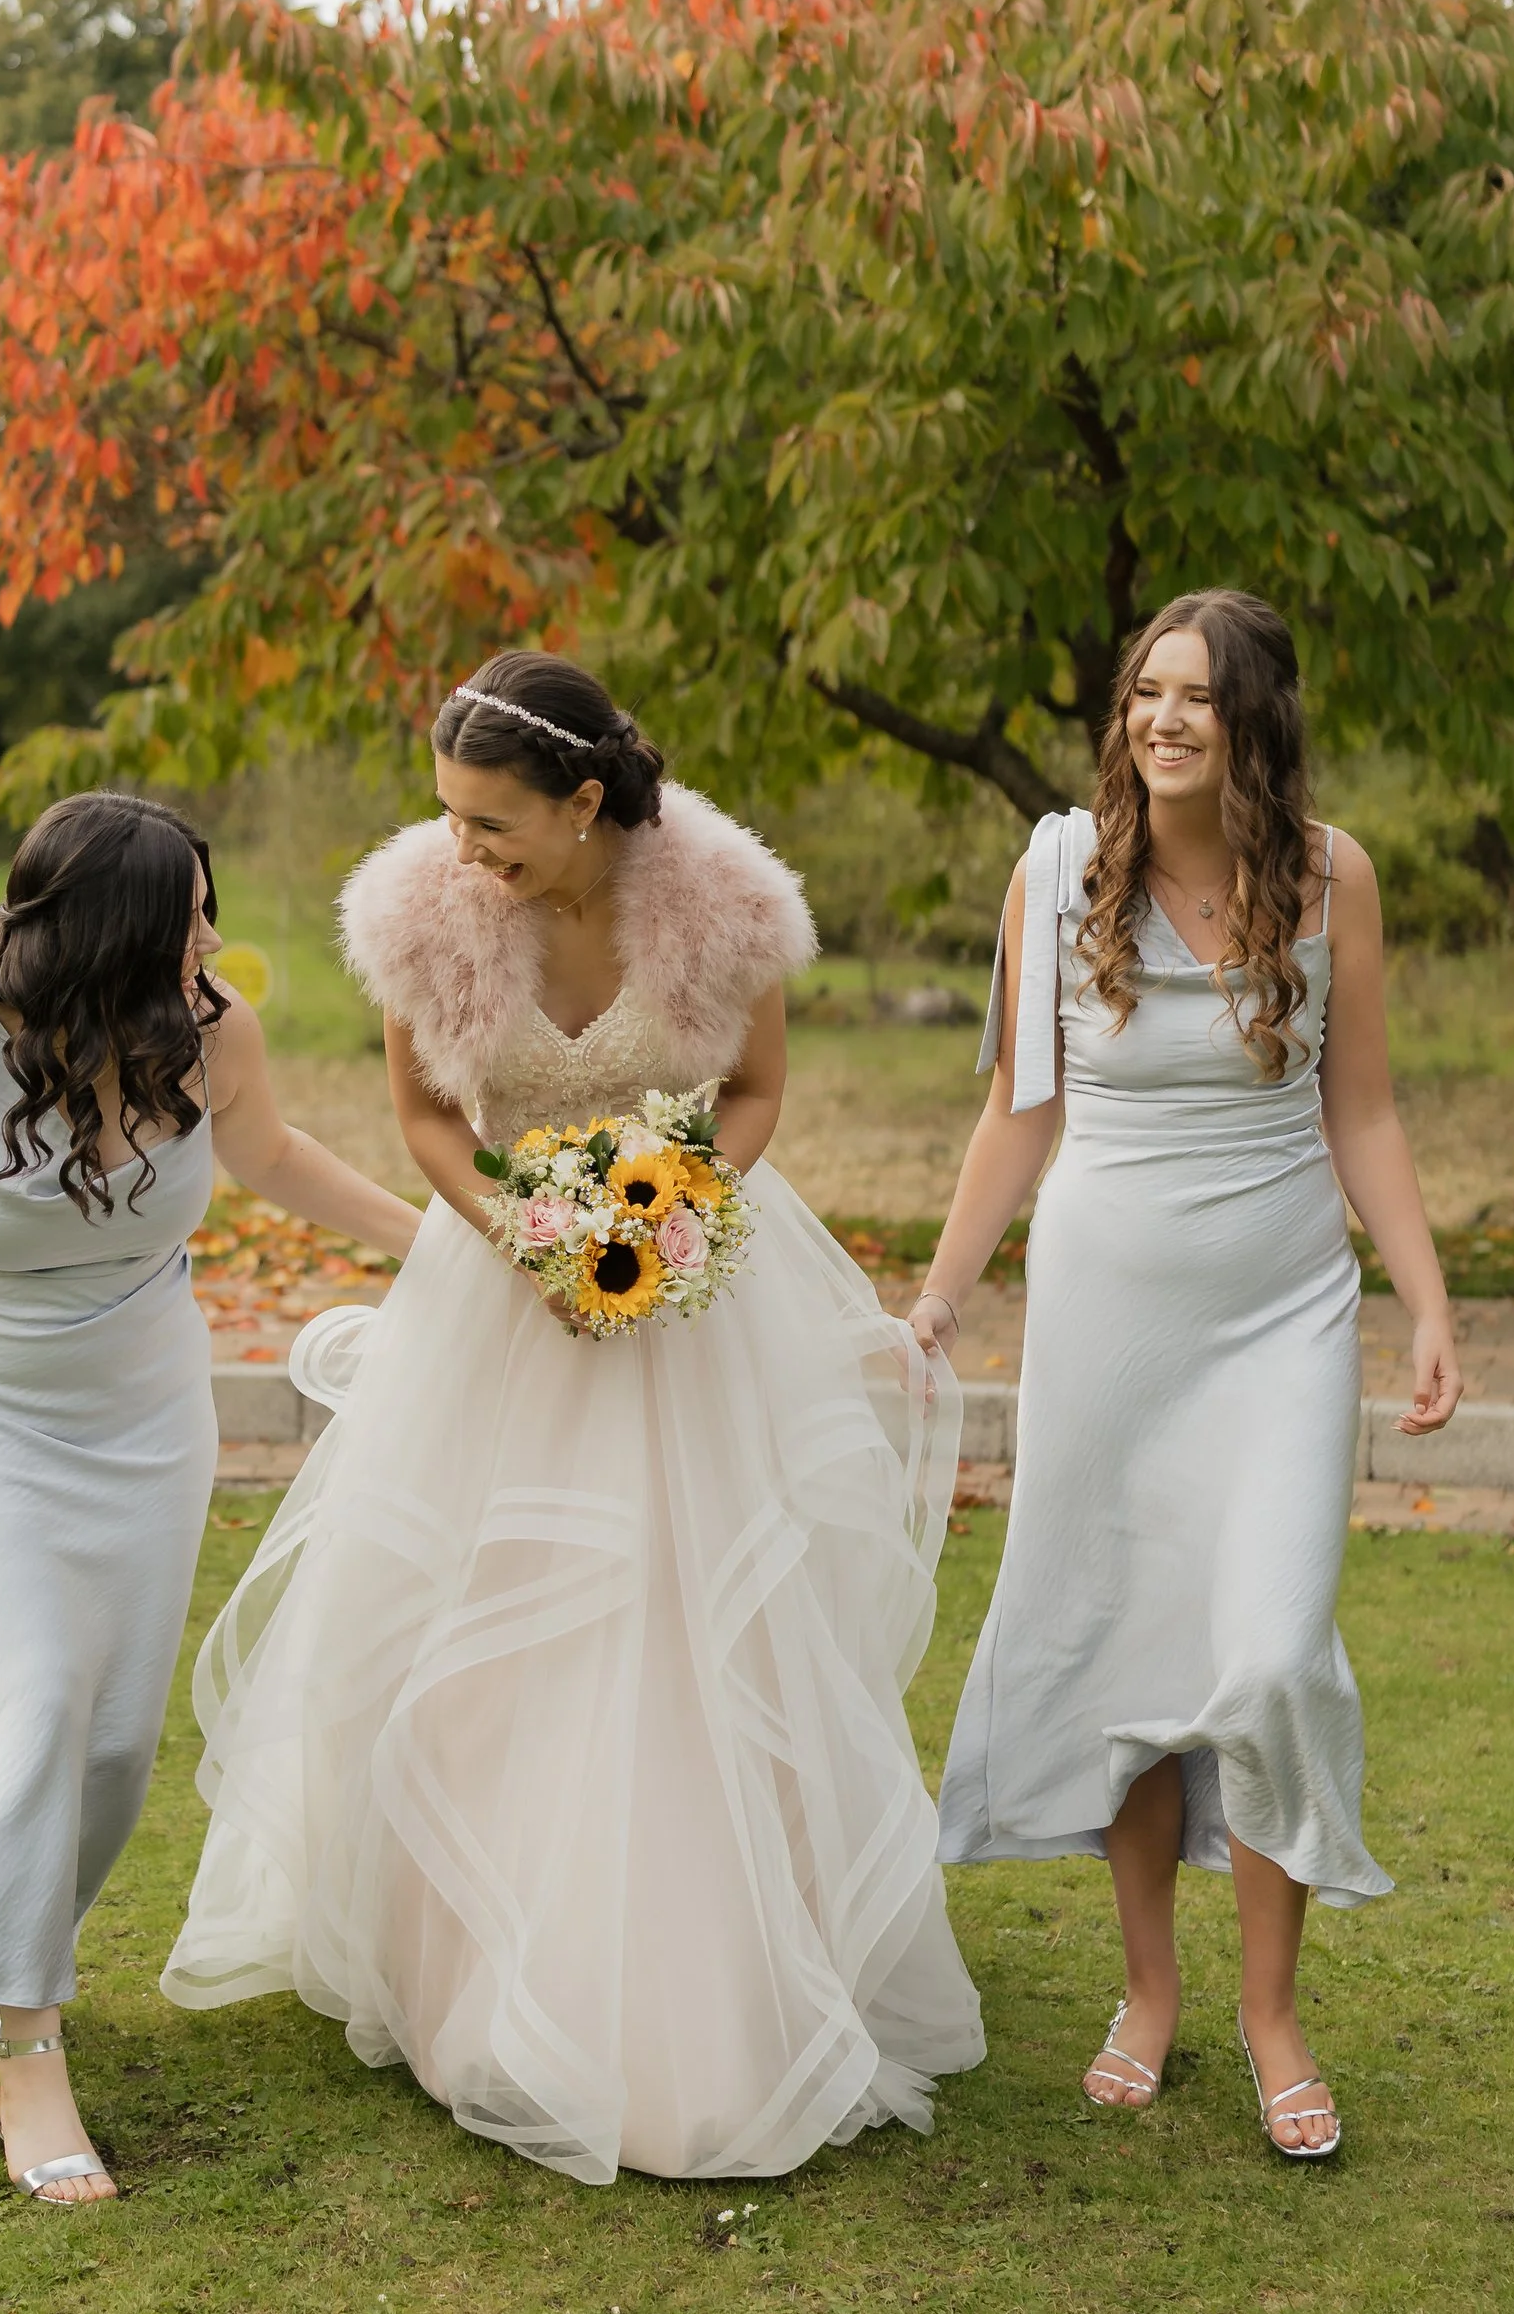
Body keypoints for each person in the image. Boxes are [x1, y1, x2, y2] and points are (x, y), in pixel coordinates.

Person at [159, 652, 982, 2184]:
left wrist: (664, 1215)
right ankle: (471, 1970)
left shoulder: (724, 905)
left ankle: (708, 1971)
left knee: (690, 1617)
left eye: (493, 825)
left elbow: (751, 1094)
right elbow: (420, 1117)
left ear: (587, 801)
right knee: (495, 1618)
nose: (465, 851)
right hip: (505, 1301)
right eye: (451, 819)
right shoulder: (423, 910)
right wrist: (526, 1235)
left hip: (688, 1308)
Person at [0, 787, 418, 2206]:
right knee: (30, 1691)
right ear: (113, 929)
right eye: (191, 912)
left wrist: (446, 1238)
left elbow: (271, 1156)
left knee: (109, 1747)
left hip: (141, 1417)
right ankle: (29, 2042)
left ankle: (8, 1944)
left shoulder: (206, 1026)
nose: (214, 934)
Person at [914, 590, 1460, 2159]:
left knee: (1273, 1655)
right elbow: (1020, 1111)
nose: (1163, 719)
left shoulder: (1331, 876)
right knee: (1133, 1666)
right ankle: (1147, 1990)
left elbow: (1362, 1111)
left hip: (1282, 1313)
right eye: (1147, 692)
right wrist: (946, 1295)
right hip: (1107, 1319)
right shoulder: (1056, 870)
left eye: (1198, 698)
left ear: (1256, 722)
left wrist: (1423, 1296)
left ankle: (1272, 2010)